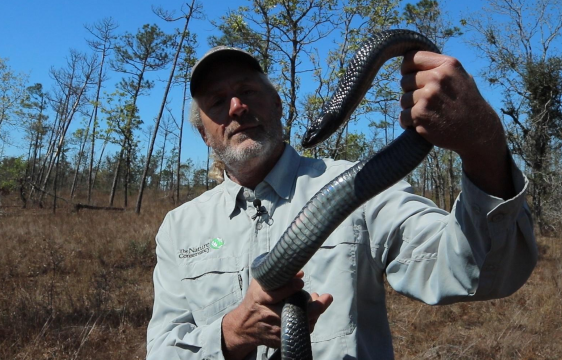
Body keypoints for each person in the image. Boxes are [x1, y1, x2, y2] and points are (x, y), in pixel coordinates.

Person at [146, 45, 537, 360]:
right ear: (204, 135)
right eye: (217, 101)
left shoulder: (363, 187)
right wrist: (230, 335)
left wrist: (482, 143)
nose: (236, 107)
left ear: (278, 105)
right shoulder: (180, 227)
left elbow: (477, 272)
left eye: (248, 91)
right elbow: (163, 350)